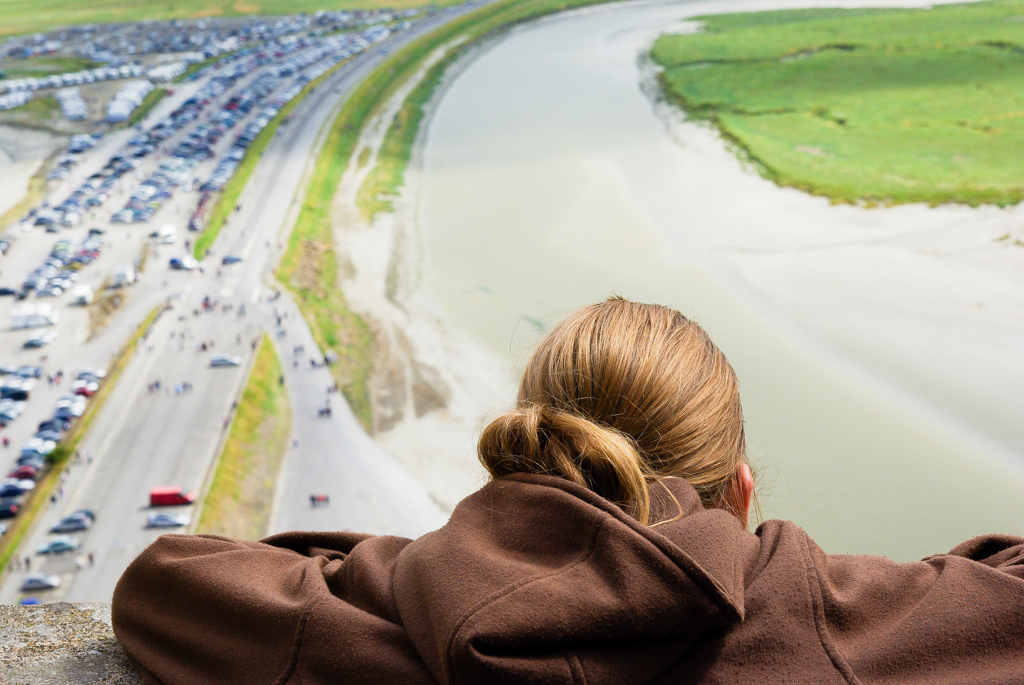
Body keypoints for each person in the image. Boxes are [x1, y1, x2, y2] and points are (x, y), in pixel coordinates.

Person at [111, 298, 1024, 684]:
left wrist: (413, 568)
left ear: (523, 465)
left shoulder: (380, 627)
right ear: (739, 492)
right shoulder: (837, 621)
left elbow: (162, 579)